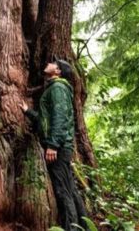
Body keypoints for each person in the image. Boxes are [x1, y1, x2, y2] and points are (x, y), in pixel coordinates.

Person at [21, 60, 88, 231]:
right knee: (70, 190)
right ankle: (86, 227)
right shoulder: (55, 87)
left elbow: (60, 118)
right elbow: (46, 121)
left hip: (58, 148)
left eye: (53, 63)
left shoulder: (58, 88)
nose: (49, 63)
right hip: (61, 147)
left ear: (57, 71)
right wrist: (28, 111)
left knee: (62, 192)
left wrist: (53, 145)